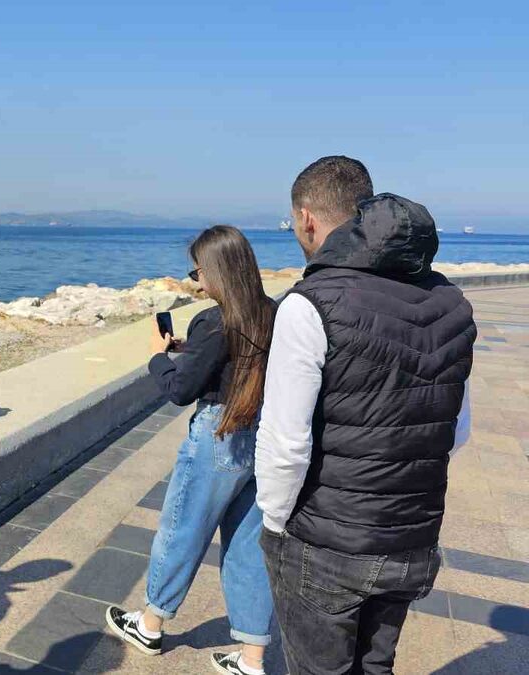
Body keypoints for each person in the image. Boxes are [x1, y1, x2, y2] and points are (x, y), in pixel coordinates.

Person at [255, 156, 474, 674]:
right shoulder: (452, 303)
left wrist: (275, 521)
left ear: (307, 218)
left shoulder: (310, 303)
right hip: (412, 539)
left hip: (328, 541)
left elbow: (286, 442)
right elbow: (456, 429)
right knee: (375, 667)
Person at [105, 225, 277, 675]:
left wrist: (159, 357)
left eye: (198, 271)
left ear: (217, 269)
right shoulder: (272, 313)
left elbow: (181, 389)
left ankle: (150, 623)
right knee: (247, 546)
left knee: (182, 529)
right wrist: (193, 349)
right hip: (264, 438)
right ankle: (252, 657)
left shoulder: (214, 320)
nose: (197, 282)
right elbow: (237, 360)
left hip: (219, 436)